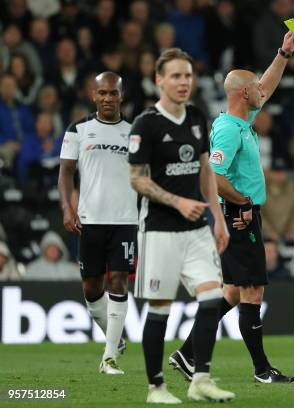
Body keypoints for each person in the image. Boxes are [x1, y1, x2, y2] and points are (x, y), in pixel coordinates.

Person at [171, 31, 294, 384]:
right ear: (244, 93)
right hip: (239, 215)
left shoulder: (240, 122)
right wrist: (241, 202)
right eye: (255, 87)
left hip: (241, 213)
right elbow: (214, 175)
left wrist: (283, 54)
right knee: (252, 291)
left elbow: (268, 85)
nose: (263, 90)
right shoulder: (229, 129)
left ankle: (186, 354)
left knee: (230, 292)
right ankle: (262, 370)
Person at [128, 48, 233, 404]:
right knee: (160, 308)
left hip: (197, 232)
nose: (183, 82)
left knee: (212, 297)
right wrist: (177, 202)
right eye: (175, 76)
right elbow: (137, 180)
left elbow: (205, 170)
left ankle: (200, 378)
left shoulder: (197, 117)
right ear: (159, 80)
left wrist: (217, 218)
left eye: (187, 75)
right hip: (159, 230)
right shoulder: (146, 124)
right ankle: (156, 387)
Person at [58, 72, 136, 376]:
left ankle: (109, 357)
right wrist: (68, 208)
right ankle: (115, 337)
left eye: (112, 94)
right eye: (102, 93)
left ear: (121, 96)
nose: (107, 99)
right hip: (89, 220)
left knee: (117, 280)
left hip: (124, 220)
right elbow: (65, 172)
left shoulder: (134, 131)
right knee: (91, 289)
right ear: (94, 96)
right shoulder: (78, 129)